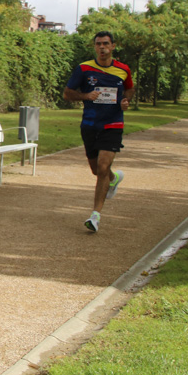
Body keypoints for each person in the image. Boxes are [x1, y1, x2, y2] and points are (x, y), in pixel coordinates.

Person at [63, 31, 134, 233]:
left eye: (105, 44)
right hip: (90, 125)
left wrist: (126, 100)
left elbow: (130, 89)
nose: (102, 47)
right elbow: (67, 94)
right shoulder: (84, 69)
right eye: (98, 44)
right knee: (97, 171)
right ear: (94, 47)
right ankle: (114, 178)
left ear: (112, 46)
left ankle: (95, 216)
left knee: (103, 167)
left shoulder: (123, 70)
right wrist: (86, 95)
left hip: (113, 123)